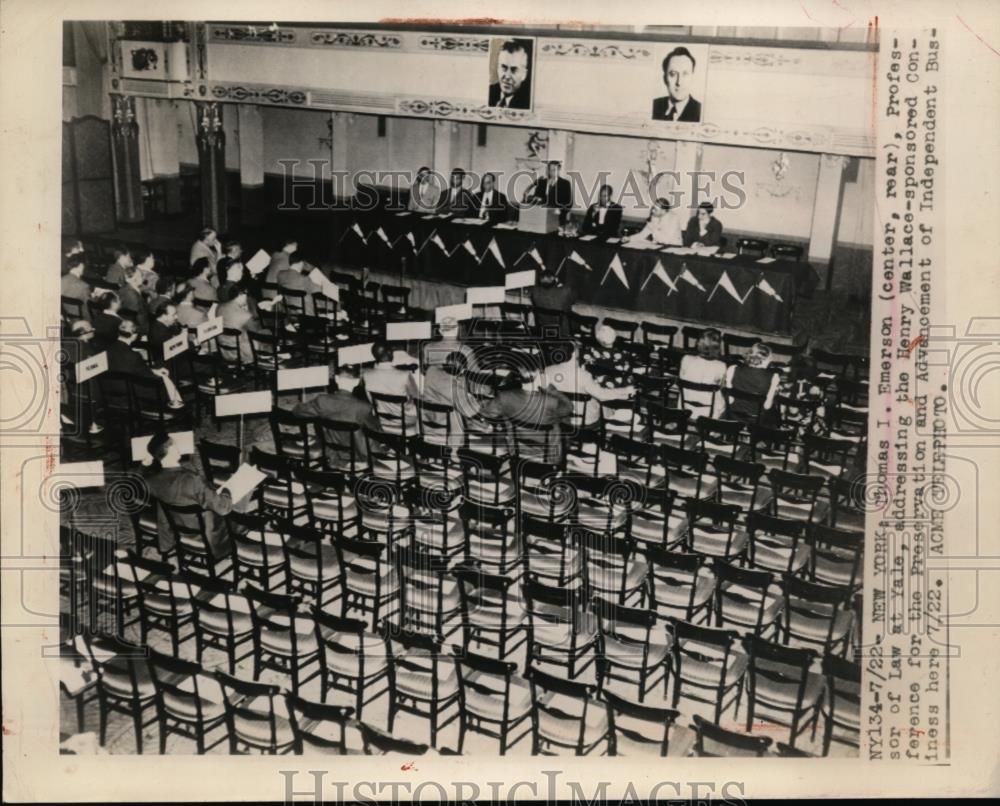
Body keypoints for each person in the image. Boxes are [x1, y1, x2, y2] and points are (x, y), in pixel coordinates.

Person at [141, 430, 234, 558]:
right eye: (174, 443)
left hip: (181, 529)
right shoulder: (192, 480)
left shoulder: (152, 481)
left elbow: (137, 480)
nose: (178, 444)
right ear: (168, 449)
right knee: (233, 505)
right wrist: (227, 491)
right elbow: (223, 509)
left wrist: (145, 463)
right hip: (207, 532)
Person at [482, 369, 572, 463]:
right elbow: (569, 407)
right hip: (547, 454)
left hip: (516, 450)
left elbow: (487, 413)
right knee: (562, 423)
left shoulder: (504, 396)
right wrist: (549, 388)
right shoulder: (551, 401)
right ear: (539, 379)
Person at [293, 367, 374, 466]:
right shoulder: (364, 407)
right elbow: (376, 433)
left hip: (329, 452)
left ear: (336, 379)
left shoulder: (322, 400)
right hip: (357, 456)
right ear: (357, 381)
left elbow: (297, 411)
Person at [544, 342, 635, 427]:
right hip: (585, 419)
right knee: (609, 407)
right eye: (576, 348)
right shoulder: (583, 375)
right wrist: (625, 391)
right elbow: (602, 395)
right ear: (573, 354)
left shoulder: (547, 370)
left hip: (558, 416)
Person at [106, 319, 184, 407]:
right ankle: (176, 405)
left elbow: (133, 368)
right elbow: (147, 377)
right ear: (134, 335)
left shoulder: (107, 350)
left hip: (112, 392)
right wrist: (162, 377)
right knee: (166, 382)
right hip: (133, 395)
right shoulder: (134, 355)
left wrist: (153, 370)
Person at [363, 340, 419, 431]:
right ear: (390, 352)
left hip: (381, 420)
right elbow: (416, 397)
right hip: (406, 420)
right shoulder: (405, 375)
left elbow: (371, 400)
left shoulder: (366, 375)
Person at [724, 342, 782, 427]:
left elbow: (730, 400)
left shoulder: (732, 369)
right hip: (757, 421)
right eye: (770, 358)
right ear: (764, 359)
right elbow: (767, 406)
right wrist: (774, 388)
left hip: (733, 417)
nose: (771, 360)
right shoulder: (774, 377)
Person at [679, 328, 727, 419]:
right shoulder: (721, 366)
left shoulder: (686, 359)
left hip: (685, 406)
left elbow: (682, 379)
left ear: (699, 342)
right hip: (709, 411)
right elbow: (721, 387)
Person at [651, 46, 702, 122]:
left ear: (692, 77)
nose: (679, 82)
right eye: (673, 74)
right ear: (665, 79)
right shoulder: (653, 106)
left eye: (685, 74)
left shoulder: (701, 111)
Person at [218, 284, 263, 365]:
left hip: (223, 350)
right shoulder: (245, 315)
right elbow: (256, 332)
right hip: (242, 353)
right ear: (241, 295)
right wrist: (251, 313)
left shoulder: (219, 307)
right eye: (247, 295)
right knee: (266, 334)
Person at [529, 271, 577, 336]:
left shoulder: (535, 291)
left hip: (543, 326)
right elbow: (573, 301)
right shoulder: (565, 290)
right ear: (555, 280)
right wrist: (559, 284)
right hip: (563, 329)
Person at [488, 39, 532, 109]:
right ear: (497, 68)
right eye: (504, 67)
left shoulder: (529, 102)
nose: (507, 76)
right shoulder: (489, 92)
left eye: (514, 70)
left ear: (524, 75)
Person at [277, 251, 321, 316]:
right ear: (300, 262)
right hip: (306, 315)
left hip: (289, 313)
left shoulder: (280, 274)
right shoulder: (304, 279)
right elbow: (320, 290)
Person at [118, 264, 150, 335]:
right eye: (140, 276)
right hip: (138, 329)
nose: (142, 277)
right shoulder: (132, 296)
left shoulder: (125, 288)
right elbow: (136, 318)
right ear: (131, 279)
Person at [61, 254, 93, 320]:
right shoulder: (83, 285)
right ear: (81, 265)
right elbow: (89, 309)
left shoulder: (61, 280)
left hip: (65, 319)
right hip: (80, 321)